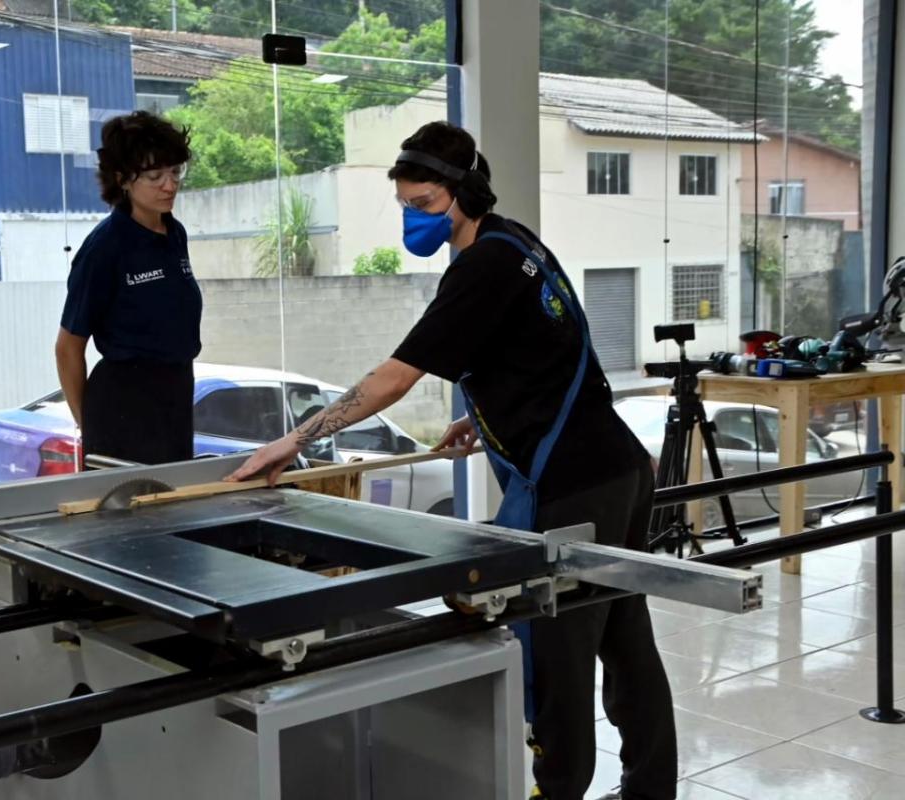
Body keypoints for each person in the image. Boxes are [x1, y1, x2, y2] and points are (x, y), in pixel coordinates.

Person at [226, 121, 677, 800]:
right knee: (622, 635)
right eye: (407, 207)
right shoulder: (516, 241)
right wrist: (488, 416)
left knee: (559, 651)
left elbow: (395, 378)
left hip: (575, 485)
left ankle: (558, 792)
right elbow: (541, 352)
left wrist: (295, 440)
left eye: (427, 207)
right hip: (615, 465)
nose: (415, 220)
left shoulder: (482, 265)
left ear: (465, 194)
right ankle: (651, 789)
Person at [55, 111, 201, 466]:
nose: (170, 185)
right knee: (133, 515)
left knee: (175, 509)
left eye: (175, 172)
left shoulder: (174, 233)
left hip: (176, 394)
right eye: (154, 176)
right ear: (122, 180)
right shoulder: (105, 247)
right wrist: (89, 426)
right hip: (123, 404)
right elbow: (67, 348)